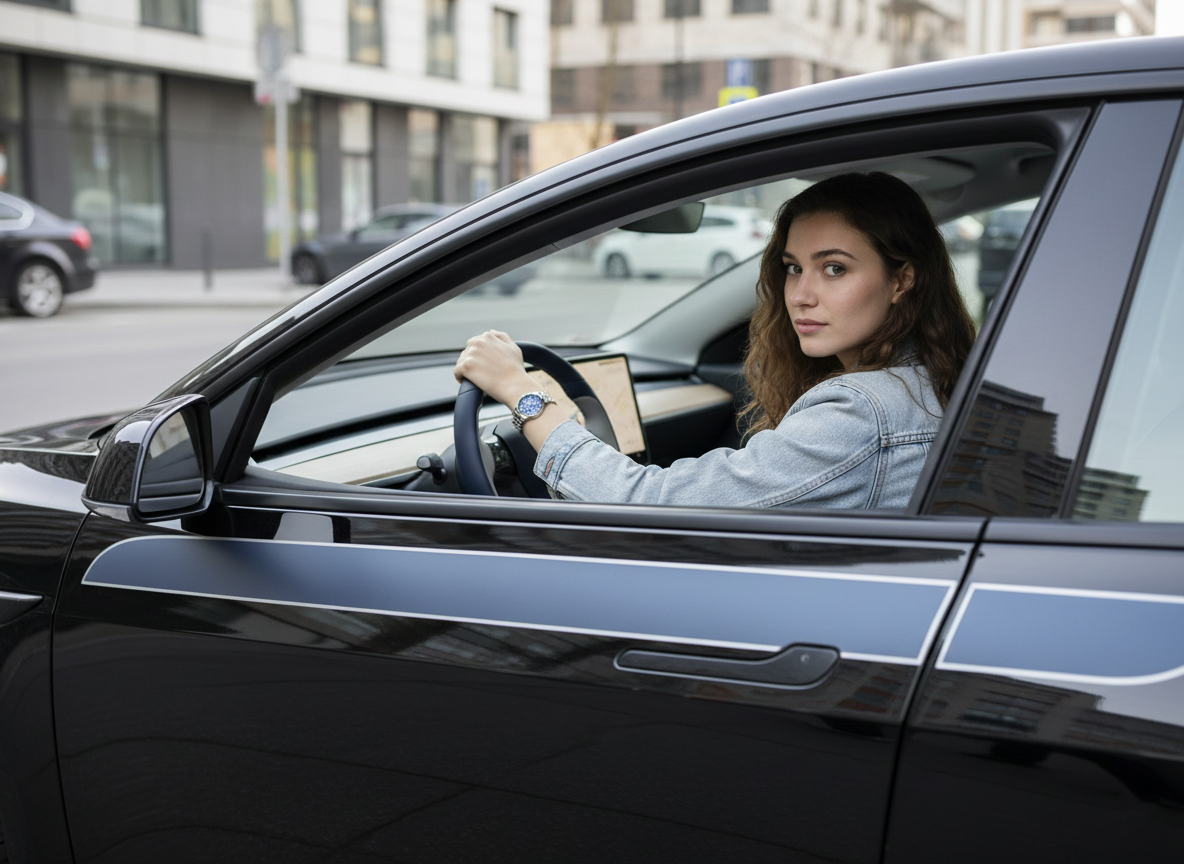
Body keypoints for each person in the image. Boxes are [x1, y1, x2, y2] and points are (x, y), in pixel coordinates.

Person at [453, 172, 977, 509]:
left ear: (902, 280)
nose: (801, 295)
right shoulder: (937, 381)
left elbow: (643, 503)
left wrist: (521, 394)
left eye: (834, 268)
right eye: (793, 269)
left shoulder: (862, 411)